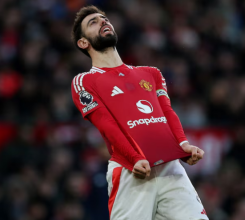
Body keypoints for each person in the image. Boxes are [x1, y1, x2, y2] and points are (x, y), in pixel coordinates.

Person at [70, 6, 208, 220]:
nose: (103, 22)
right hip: (130, 170)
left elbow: (167, 112)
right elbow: (106, 124)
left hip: (170, 168)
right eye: (93, 22)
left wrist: (183, 145)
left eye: (104, 19)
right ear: (83, 42)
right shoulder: (84, 81)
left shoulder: (151, 73)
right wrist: (134, 158)